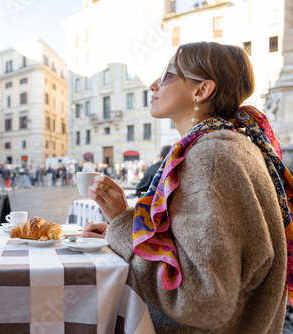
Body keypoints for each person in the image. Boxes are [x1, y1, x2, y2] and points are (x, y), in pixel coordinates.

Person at [82, 42, 292, 333]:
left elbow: (201, 300)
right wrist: (124, 228)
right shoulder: (220, 146)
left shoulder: (212, 157)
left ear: (201, 90)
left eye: (167, 75)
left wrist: (124, 226)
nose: (154, 85)